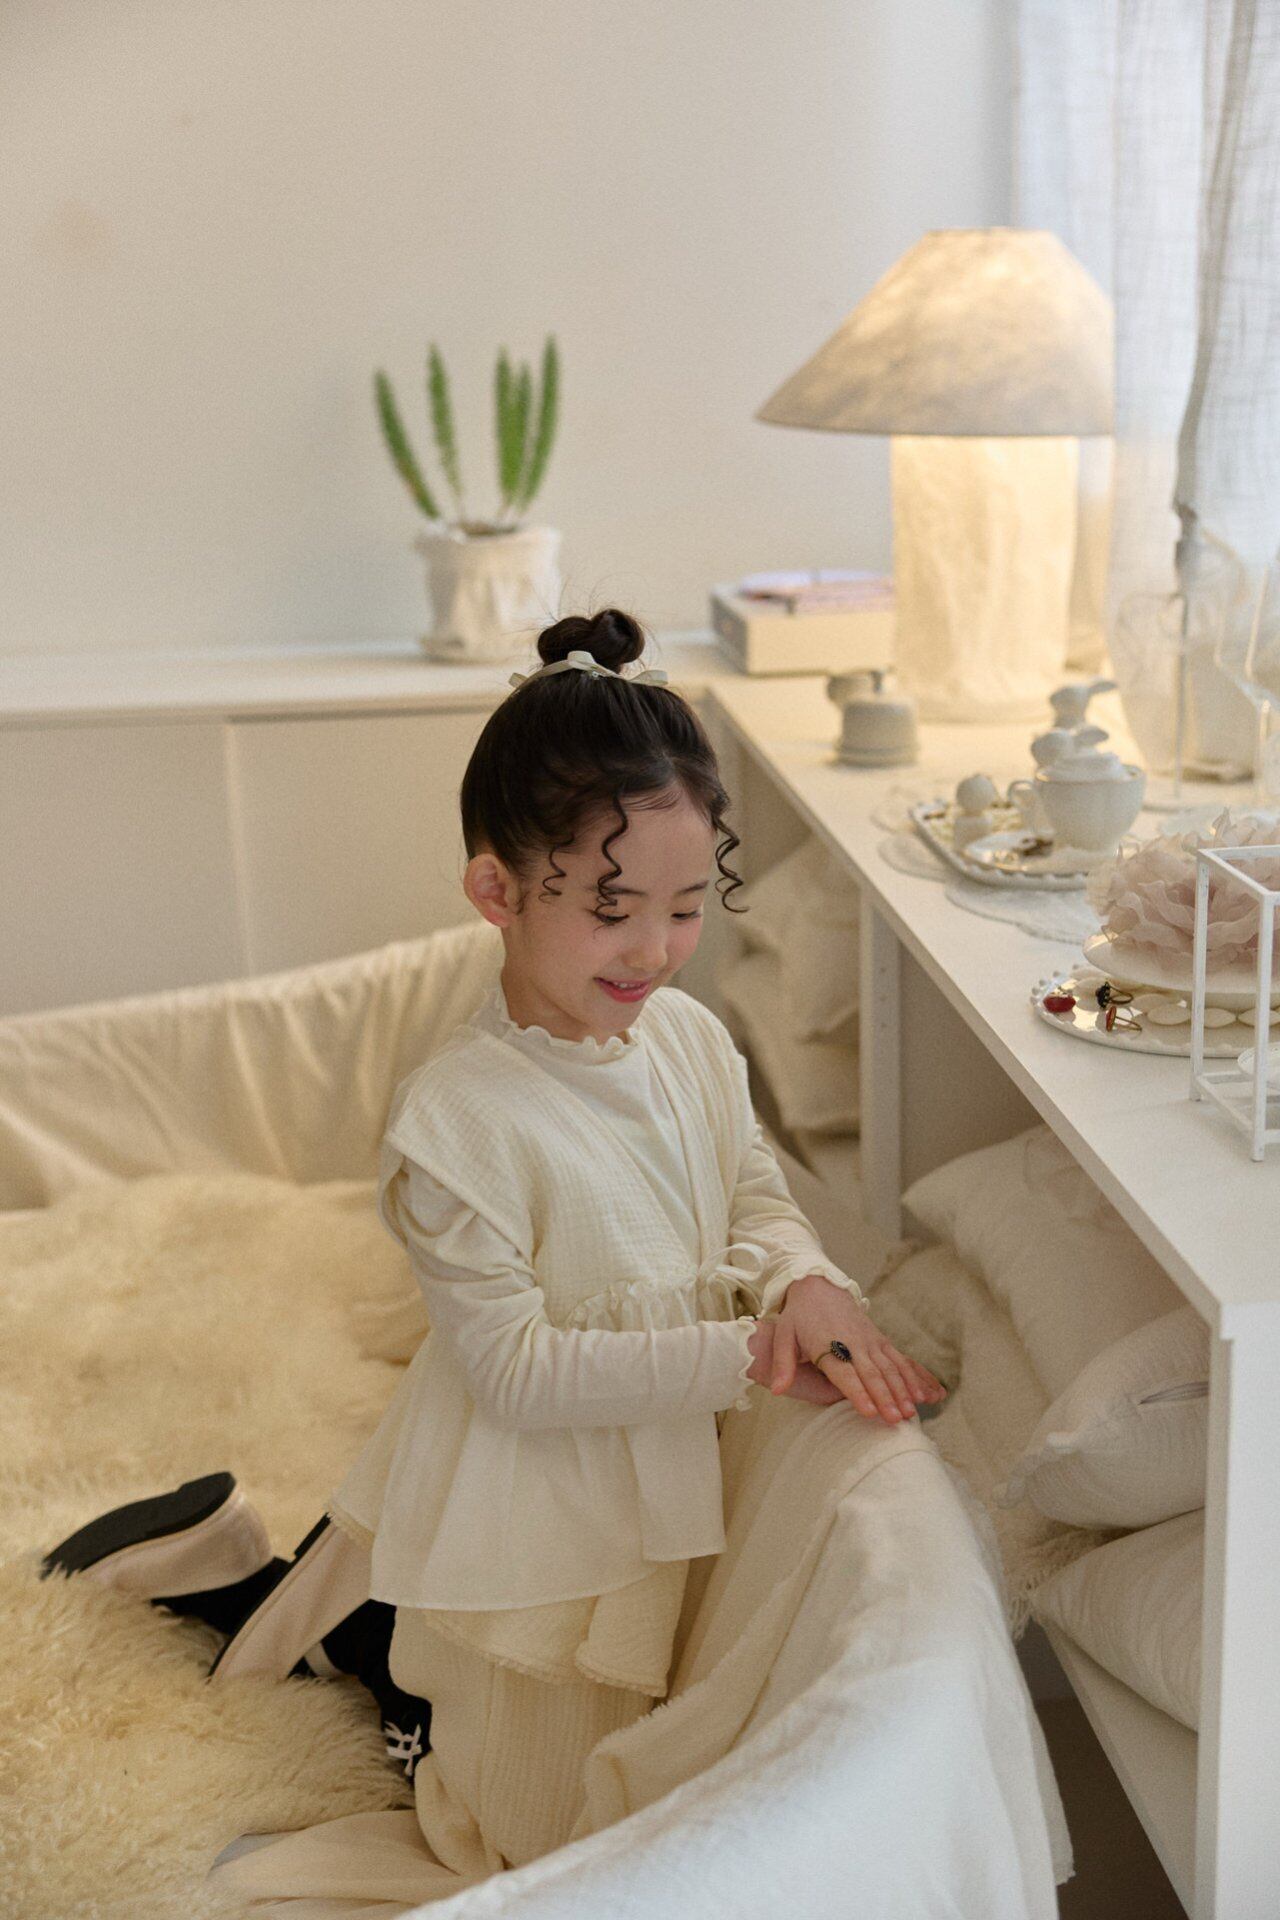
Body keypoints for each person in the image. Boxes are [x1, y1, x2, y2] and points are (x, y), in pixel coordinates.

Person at [43, 608, 945, 1914]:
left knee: (510, 1677)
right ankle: (240, 1587)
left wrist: (806, 1280)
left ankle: (304, 1593)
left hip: (636, 1474)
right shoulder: (457, 1125)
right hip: (533, 1505)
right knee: (521, 1827)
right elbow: (517, 1374)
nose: (655, 949)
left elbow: (749, 1187)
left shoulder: (689, 1041)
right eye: (613, 909)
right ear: (496, 893)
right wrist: (746, 1352)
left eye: (688, 908)